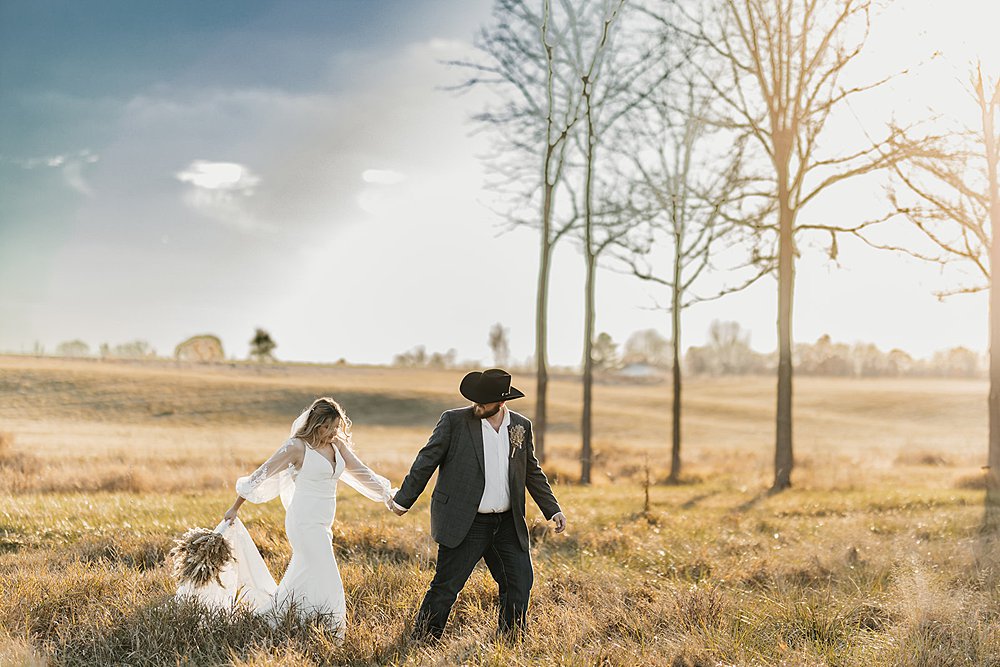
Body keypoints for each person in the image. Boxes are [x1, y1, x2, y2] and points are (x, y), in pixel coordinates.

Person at [180, 397, 397, 637]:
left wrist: (388, 497)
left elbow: (362, 473)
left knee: (305, 571)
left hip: (323, 523)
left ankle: (281, 619)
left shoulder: (337, 446)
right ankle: (333, 630)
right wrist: (235, 508)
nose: (333, 432)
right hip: (304, 521)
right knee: (326, 572)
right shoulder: (297, 447)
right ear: (315, 424)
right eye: (327, 427)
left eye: (336, 427)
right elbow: (260, 474)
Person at [390, 368, 566, 640]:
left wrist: (552, 508)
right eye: (475, 401)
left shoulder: (520, 426)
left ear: (501, 403)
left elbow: (531, 470)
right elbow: (426, 461)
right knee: (447, 586)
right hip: (466, 520)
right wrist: (403, 500)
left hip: (507, 522)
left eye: (483, 402)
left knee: (519, 582)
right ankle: (423, 638)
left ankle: (511, 638)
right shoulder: (454, 421)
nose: (477, 406)